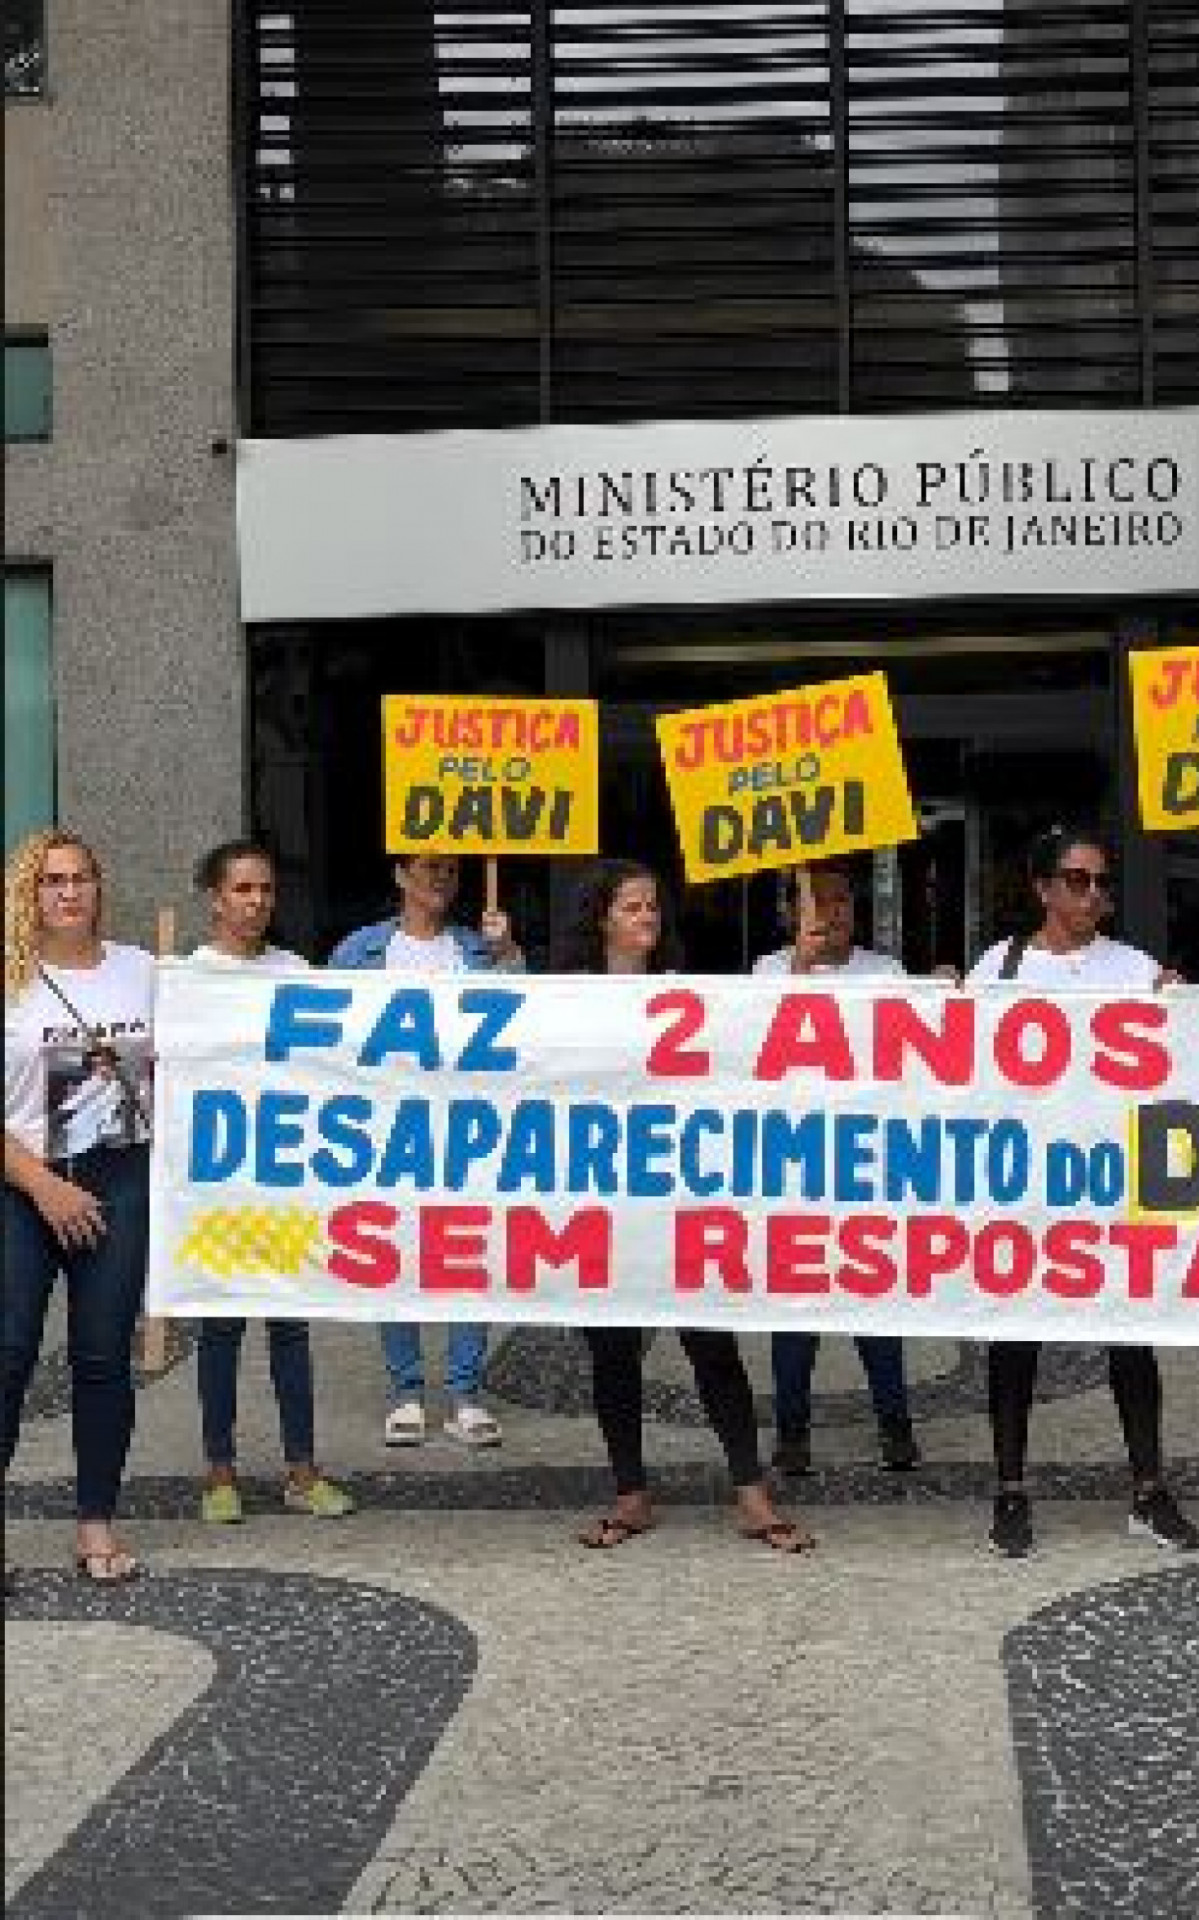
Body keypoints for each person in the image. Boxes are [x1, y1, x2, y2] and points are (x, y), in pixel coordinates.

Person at [559, 857, 815, 1552]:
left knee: (711, 1344)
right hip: (603, 1202)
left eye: (652, 906)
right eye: (632, 906)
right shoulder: (564, 999)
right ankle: (630, 1494)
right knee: (613, 1352)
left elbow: (755, 1041)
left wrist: (798, 971)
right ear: (601, 919)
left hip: (677, 1199)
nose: (647, 917)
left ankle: (752, 1495)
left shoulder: (688, 994)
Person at [969, 819, 1197, 1557]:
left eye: (1101, 882)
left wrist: (1176, 1008)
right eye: (1077, 880)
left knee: (1130, 1334)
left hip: (1110, 1181)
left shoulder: (1133, 969)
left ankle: (1148, 1490)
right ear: (1042, 888)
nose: (1093, 894)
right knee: (1015, 1337)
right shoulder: (1000, 969)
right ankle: (1010, 1490)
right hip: (1025, 1182)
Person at [329, 853, 523, 1448]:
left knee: (467, 1253)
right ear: (400, 875)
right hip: (386, 1130)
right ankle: (406, 1390)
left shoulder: (479, 949)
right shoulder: (359, 952)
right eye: (429, 867)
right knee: (392, 1254)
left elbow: (526, 1026)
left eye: (451, 871)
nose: (440, 879)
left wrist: (509, 957)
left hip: (467, 1130)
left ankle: (466, 1392)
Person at [3, 831, 153, 1584]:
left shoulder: (143, 971)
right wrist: (43, 1186)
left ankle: (96, 1523)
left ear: (99, 887)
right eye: (52, 880)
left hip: (118, 1178)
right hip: (22, 1184)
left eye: (81, 878)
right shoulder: (10, 979)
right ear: (29, 893)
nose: (69, 892)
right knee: (8, 1357)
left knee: (102, 1358)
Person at [190, 840, 354, 1523]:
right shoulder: (189, 979)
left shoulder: (294, 971)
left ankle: (301, 1469)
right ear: (215, 898)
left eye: (265, 889)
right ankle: (219, 1472)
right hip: (221, 1188)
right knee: (221, 1331)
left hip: (282, 1183)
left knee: (290, 1327)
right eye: (242, 889)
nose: (256, 901)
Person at [754, 858, 921, 1476]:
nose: (831, 912)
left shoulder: (887, 974)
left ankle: (895, 1425)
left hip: (866, 1165)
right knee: (795, 1312)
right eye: (815, 900)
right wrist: (801, 969)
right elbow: (755, 1054)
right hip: (796, 1169)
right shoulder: (767, 972)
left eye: (841, 900)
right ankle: (792, 1432)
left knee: (874, 1305)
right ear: (790, 912)